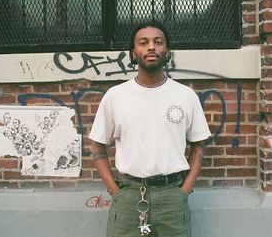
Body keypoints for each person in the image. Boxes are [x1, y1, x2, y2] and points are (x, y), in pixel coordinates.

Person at [89, 20, 211, 237]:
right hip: (128, 196)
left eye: (158, 42)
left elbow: (198, 146)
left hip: (172, 196)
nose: (151, 47)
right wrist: (115, 191)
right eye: (143, 43)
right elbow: (97, 147)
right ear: (134, 53)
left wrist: (184, 190)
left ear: (167, 52)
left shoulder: (185, 96)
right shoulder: (116, 96)